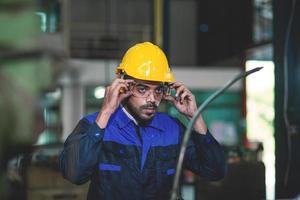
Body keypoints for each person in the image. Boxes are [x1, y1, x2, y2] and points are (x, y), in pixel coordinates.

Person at [59, 42, 226, 200]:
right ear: (124, 86)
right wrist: (105, 113)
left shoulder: (172, 129)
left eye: (158, 90)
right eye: (142, 89)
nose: (152, 99)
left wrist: (194, 116)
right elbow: (74, 174)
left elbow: (214, 171)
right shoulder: (95, 125)